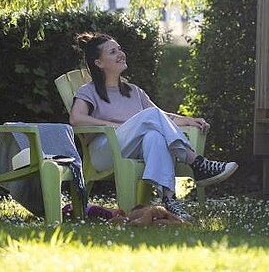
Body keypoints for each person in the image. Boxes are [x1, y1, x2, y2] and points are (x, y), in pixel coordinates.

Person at [70, 32, 237, 222]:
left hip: (132, 149)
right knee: (149, 118)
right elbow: (76, 118)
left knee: (154, 137)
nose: (120, 53)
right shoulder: (88, 91)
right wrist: (116, 126)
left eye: (120, 49)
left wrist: (188, 120)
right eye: (113, 51)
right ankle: (195, 162)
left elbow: (161, 116)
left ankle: (169, 199)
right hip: (104, 152)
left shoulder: (134, 91)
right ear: (99, 63)